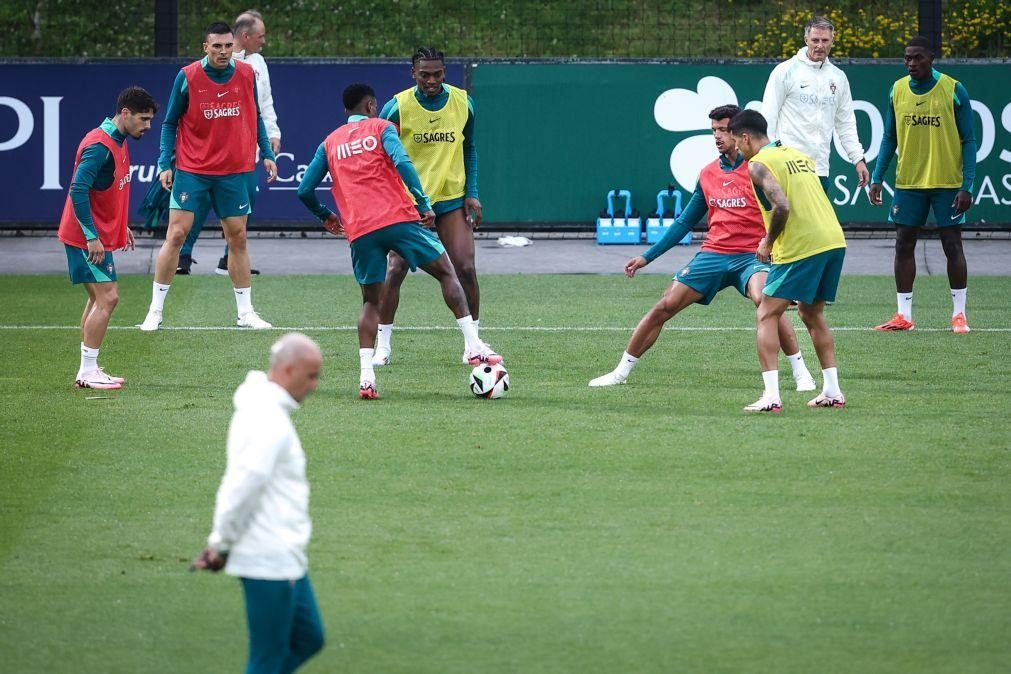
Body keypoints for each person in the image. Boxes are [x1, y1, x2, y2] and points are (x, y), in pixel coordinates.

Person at [589, 105, 816, 391]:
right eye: (714, 131)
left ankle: (801, 372)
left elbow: (785, 211)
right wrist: (647, 257)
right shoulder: (708, 174)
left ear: (740, 133)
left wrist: (774, 246)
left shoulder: (760, 167)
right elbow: (684, 222)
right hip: (713, 254)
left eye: (723, 130)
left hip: (751, 256)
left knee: (765, 300)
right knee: (665, 306)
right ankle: (620, 372)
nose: (718, 137)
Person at [296, 84, 501, 399]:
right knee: (448, 272)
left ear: (345, 111)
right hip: (398, 220)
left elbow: (304, 190)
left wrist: (326, 216)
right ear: (371, 105)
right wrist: (422, 203)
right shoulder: (382, 128)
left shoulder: (330, 143)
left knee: (369, 301)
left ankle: (367, 378)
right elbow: (404, 163)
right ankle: (473, 347)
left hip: (360, 231)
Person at [191, 333, 325, 674]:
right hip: (268, 557)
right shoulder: (268, 420)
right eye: (311, 376)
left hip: (287, 553)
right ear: (288, 370)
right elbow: (242, 485)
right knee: (266, 659)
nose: (315, 386)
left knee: (308, 638)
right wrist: (220, 544)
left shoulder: (267, 410)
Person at [139, 21, 277, 331]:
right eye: (217, 46)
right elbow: (169, 124)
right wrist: (165, 163)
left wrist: (266, 153)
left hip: (235, 172)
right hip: (193, 171)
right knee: (175, 235)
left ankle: (245, 314)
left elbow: (255, 116)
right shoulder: (187, 77)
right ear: (206, 47)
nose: (224, 52)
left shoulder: (245, 74)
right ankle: (155, 311)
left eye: (228, 46)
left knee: (238, 238)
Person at [371, 46, 485, 367]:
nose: (431, 80)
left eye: (437, 74)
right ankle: (384, 346)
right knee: (395, 271)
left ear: (445, 72)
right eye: (425, 74)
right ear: (413, 74)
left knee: (465, 268)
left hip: (451, 200)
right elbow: (379, 156)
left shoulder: (464, 103)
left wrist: (472, 192)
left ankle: (473, 343)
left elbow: (470, 149)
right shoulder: (397, 107)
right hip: (409, 205)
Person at [729, 109, 847, 412]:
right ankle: (832, 391)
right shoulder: (797, 155)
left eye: (736, 143)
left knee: (767, 313)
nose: (738, 151)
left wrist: (768, 241)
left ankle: (771, 396)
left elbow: (781, 205)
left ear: (745, 137)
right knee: (811, 313)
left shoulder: (758, 164)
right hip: (833, 240)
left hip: (802, 245)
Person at [868, 35, 976, 334]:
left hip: (947, 182)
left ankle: (959, 315)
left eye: (918, 58)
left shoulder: (954, 90)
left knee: (952, 245)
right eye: (907, 58)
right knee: (903, 244)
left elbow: (969, 140)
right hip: (909, 182)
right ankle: (904, 315)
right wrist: (877, 177)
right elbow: (889, 137)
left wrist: (967, 184)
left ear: (932, 57)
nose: (911, 63)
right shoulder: (897, 89)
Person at [57, 87, 158, 390]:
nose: (148, 126)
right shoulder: (100, 145)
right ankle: (86, 372)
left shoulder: (118, 138)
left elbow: (109, 191)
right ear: (125, 113)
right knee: (109, 298)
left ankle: (89, 368)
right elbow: (77, 189)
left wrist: (120, 225)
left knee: (97, 298)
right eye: (143, 119)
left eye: (151, 119)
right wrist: (91, 236)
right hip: (85, 238)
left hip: (93, 235)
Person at [178, 10, 282, 277]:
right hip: (209, 153)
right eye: (260, 36)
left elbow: (264, 103)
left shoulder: (257, 64)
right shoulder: (212, 64)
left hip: (244, 150)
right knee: (197, 207)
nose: (263, 41)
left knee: (246, 202)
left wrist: (273, 135)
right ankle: (183, 256)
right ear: (244, 37)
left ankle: (228, 259)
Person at [761, 16, 869, 195]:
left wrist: (858, 159)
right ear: (806, 40)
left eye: (825, 40)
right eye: (815, 40)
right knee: (788, 222)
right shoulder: (785, 71)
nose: (820, 45)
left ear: (832, 41)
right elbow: (768, 117)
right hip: (788, 166)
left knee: (814, 224)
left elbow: (846, 124)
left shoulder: (839, 77)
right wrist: (769, 160)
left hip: (820, 169)